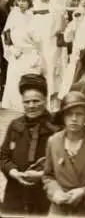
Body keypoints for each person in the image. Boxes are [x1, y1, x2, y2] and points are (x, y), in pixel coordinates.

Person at [0, 74, 58, 215]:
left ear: (45, 100)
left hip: (45, 196)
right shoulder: (15, 125)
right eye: (27, 102)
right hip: (16, 195)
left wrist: (41, 175)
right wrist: (14, 173)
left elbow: (66, 165)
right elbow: (3, 156)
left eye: (36, 101)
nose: (31, 106)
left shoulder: (56, 128)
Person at [1, 0, 43, 111]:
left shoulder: (34, 15)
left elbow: (39, 38)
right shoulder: (14, 14)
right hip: (17, 53)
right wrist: (12, 49)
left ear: (29, 2)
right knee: (14, 82)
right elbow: (6, 34)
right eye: (18, 0)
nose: (21, 3)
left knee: (28, 81)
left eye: (24, 1)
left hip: (30, 53)